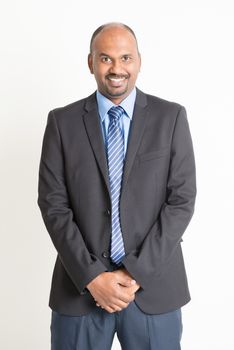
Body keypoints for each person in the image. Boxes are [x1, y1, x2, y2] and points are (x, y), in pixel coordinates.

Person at [38, 22, 196, 350]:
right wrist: (93, 277)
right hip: (80, 290)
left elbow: (181, 200)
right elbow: (53, 204)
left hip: (153, 291)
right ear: (90, 63)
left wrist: (135, 271)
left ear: (138, 61)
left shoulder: (171, 118)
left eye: (125, 58)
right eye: (106, 58)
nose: (117, 68)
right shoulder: (61, 122)